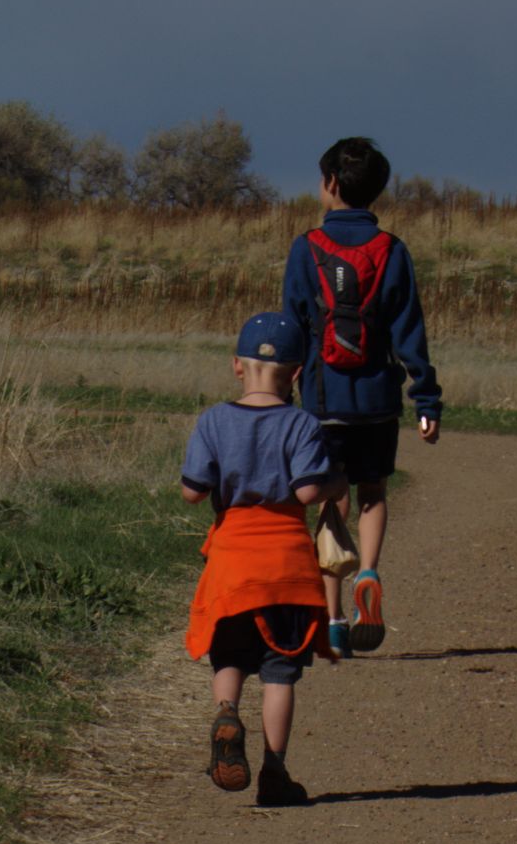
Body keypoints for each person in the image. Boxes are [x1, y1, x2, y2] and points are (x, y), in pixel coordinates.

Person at [282, 137, 442, 655]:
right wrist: (426, 402)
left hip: (323, 399)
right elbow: (409, 330)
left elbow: (292, 323)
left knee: (333, 499)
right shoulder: (393, 251)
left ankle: (331, 620)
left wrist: (282, 389)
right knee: (372, 492)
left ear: (330, 185)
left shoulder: (305, 248)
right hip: (377, 397)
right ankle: (368, 575)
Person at [182, 312, 347, 807]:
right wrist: (337, 483)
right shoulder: (301, 423)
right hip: (285, 568)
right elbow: (307, 490)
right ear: (296, 373)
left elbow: (193, 492)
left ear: (237, 366)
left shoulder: (212, 420)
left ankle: (227, 710)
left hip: (232, 562)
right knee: (280, 672)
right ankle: (275, 771)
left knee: (229, 655)